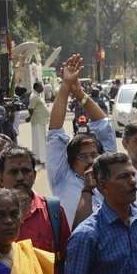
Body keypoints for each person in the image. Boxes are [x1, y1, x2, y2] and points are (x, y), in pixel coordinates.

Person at [48, 55, 117, 228]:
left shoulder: (107, 173)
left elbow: (104, 127)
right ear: (70, 162)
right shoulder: (61, 177)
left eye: (94, 155)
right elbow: (55, 133)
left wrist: (79, 93)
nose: (89, 161)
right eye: (82, 156)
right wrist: (65, 87)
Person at [27, 81, 50, 166]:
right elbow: (31, 108)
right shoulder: (33, 97)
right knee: (39, 139)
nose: (42, 88)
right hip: (37, 121)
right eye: (40, 86)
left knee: (41, 139)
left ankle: (38, 157)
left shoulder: (38, 95)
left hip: (42, 120)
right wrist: (29, 117)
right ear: (36, 87)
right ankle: (42, 158)